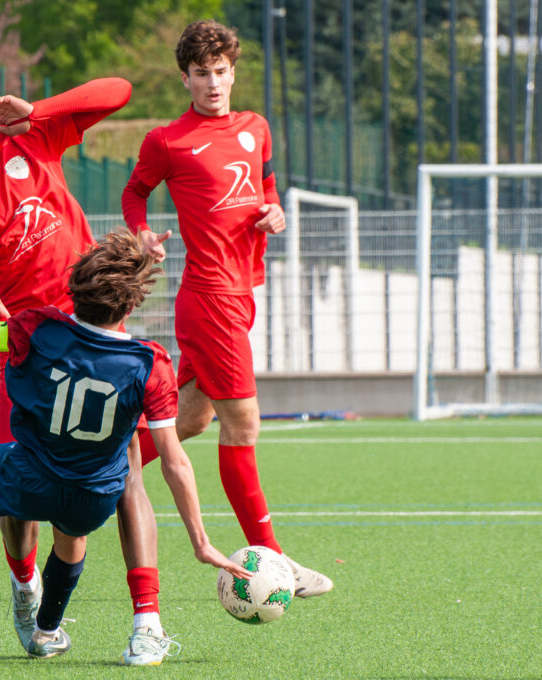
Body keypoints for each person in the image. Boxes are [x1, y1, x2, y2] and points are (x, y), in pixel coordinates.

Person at [0, 231, 251, 660]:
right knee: (81, 522)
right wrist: (201, 541)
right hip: (93, 498)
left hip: (30, 480)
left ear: (73, 289)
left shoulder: (34, 328)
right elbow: (174, 462)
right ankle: (53, 632)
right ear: (131, 305)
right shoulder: (150, 363)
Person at [0, 76, 172, 664]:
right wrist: (12, 332)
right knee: (15, 498)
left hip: (96, 334)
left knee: (127, 472)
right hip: (30, 355)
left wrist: (37, 110)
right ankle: (26, 587)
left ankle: (147, 621)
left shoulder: (30, 137)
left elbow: (120, 91)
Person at [122, 19, 333, 597]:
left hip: (241, 294)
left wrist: (275, 212)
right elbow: (134, 192)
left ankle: (95, 472)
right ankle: (276, 560)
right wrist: (142, 233)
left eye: (220, 71)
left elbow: (267, 189)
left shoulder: (255, 128)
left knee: (191, 419)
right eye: (201, 73)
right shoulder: (168, 140)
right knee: (243, 426)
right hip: (209, 297)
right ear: (185, 78)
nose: (212, 83)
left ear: (233, 72)